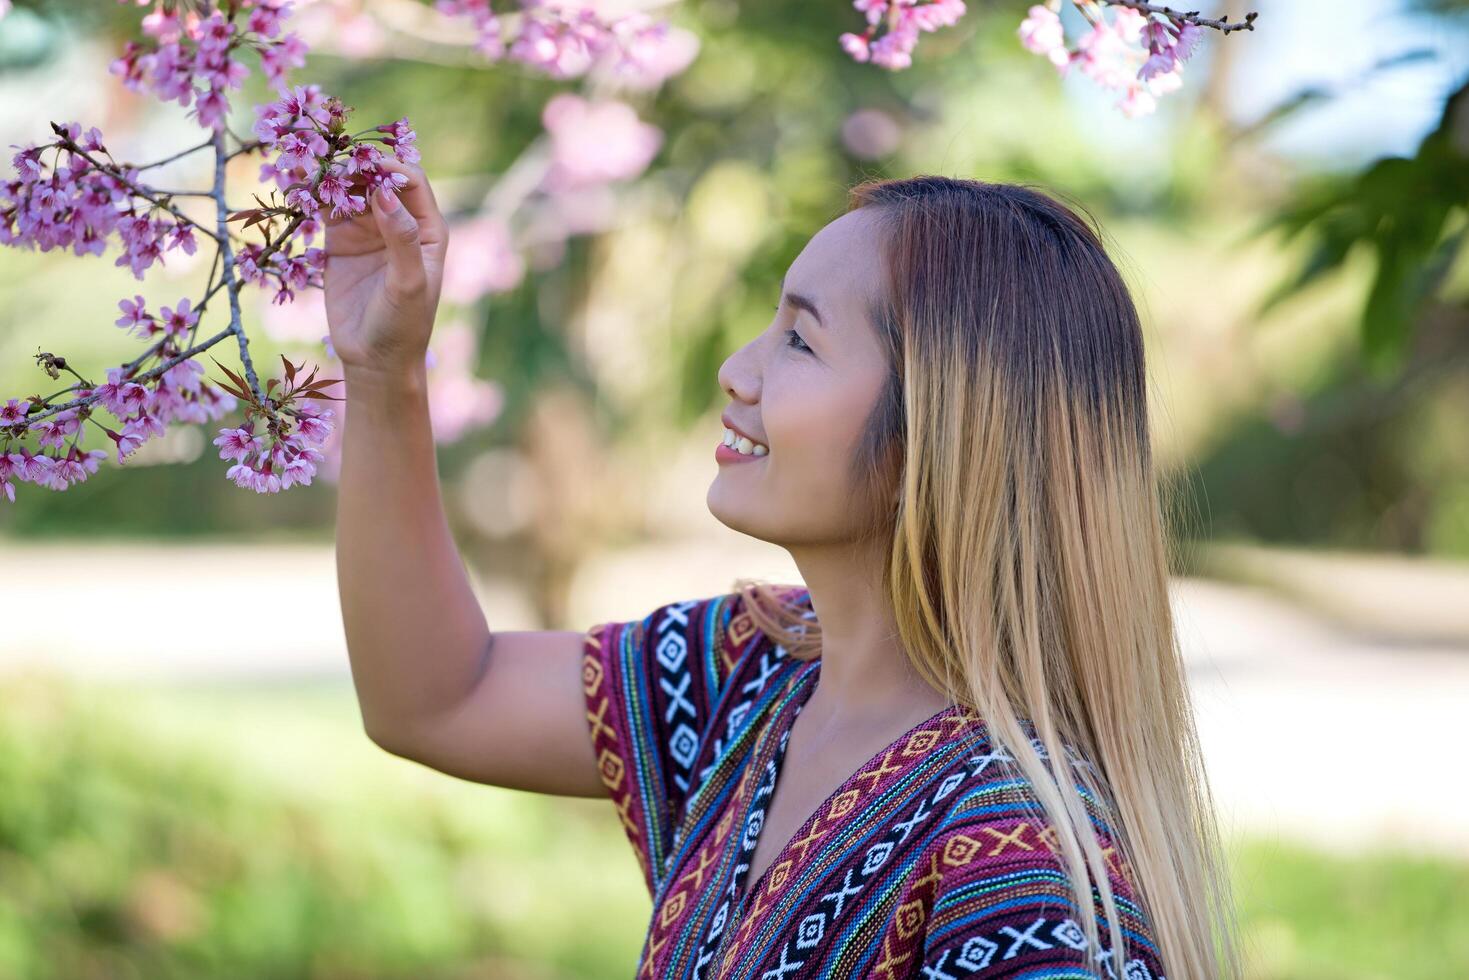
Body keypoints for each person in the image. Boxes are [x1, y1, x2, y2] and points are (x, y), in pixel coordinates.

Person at [329, 159, 1241, 979]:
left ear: (944, 429)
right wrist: (382, 373)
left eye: (800, 341)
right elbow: (440, 696)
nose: (737, 370)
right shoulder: (756, 672)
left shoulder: (1014, 871)